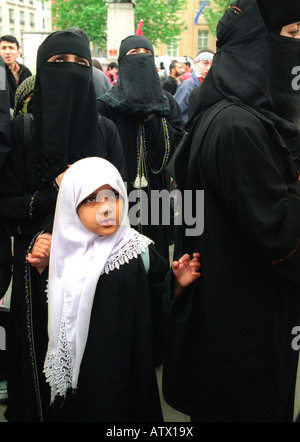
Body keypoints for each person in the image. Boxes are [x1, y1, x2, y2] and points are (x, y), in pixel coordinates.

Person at [163, 0, 300, 422]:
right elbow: (278, 232)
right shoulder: (239, 126)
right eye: (292, 36)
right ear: (256, 45)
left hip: (223, 312)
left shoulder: (223, 114)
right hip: (248, 322)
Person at [0, 28, 126, 422]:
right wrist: (54, 195)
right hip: (36, 269)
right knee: (39, 364)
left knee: (92, 366)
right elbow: (5, 206)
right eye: (59, 63)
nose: (71, 71)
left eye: (81, 64)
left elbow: (120, 209)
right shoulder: (20, 133)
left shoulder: (105, 132)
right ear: (42, 68)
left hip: (96, 270)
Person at [27, 156, 200, 422]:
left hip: (128, 377)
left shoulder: (137, 251)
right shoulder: (62, 255)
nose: (106, 209)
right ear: (71, 206)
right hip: (82, 382)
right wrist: (42, 272)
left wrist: (175, 285)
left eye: (113, 197)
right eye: (90, 199)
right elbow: (51, 316)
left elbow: (158, 305)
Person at [98, 35, 184, 264]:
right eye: (133, 54)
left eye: (145, 54)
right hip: (118, 193)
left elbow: (172, 149)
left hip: (156, 193)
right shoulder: (106, 104)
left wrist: (151, 114)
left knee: (157, 257)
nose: (140, 59)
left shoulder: (166, 102)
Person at [174, 49, 214, 122]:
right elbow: (177, 114)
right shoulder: (188, 85)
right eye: (205, 63)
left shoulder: (210, 84)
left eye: (212, 64)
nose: (209, 68)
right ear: (195, 63)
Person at [0, 35, 32, 111]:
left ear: (18, 52)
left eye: (11, 48)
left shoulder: (25, 71)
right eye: (4, 48)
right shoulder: (1, 72)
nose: (7, 52)